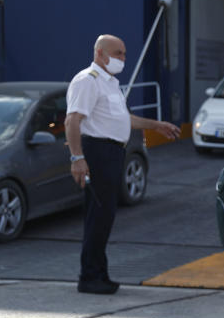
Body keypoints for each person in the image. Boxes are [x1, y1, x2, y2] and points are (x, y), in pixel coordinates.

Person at [66, 35, 181, 294]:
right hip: (98, 151)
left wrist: (157, 125)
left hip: (113, 153)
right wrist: (77, 158)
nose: (122, 59)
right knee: (98, 216)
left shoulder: (111, 84)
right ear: (99, 53)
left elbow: (124, 118)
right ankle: (89, 277)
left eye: (124, 54)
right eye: (117, 53)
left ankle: (99, 273)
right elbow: (72, 121)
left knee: (105, 216)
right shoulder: (88, 81)